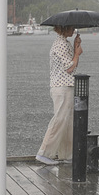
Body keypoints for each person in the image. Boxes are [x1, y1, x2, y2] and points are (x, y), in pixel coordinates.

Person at [36, 25, 82, 165]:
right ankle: (44, 153)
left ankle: (66, 154)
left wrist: (75, 48)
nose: (73, 30)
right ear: (63, 28)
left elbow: (73, 67)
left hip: (65, 85)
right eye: (70, 27)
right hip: (61, 87)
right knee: (60, 120)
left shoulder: (64, 43)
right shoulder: (60, 44)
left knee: (67, 122)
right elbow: (69, 67)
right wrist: (77, 53)